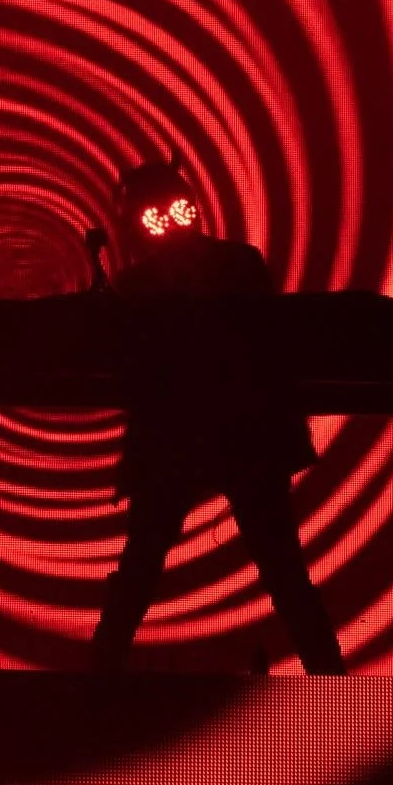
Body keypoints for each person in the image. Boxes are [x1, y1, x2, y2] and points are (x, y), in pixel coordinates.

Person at [89, 161, 346, 674]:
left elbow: (117, 344)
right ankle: (332, 685)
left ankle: (96, 687)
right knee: (284, 571)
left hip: (174, 436)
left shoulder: (137, 284)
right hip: (249, 433)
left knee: (142, 567)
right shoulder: (241, 264)